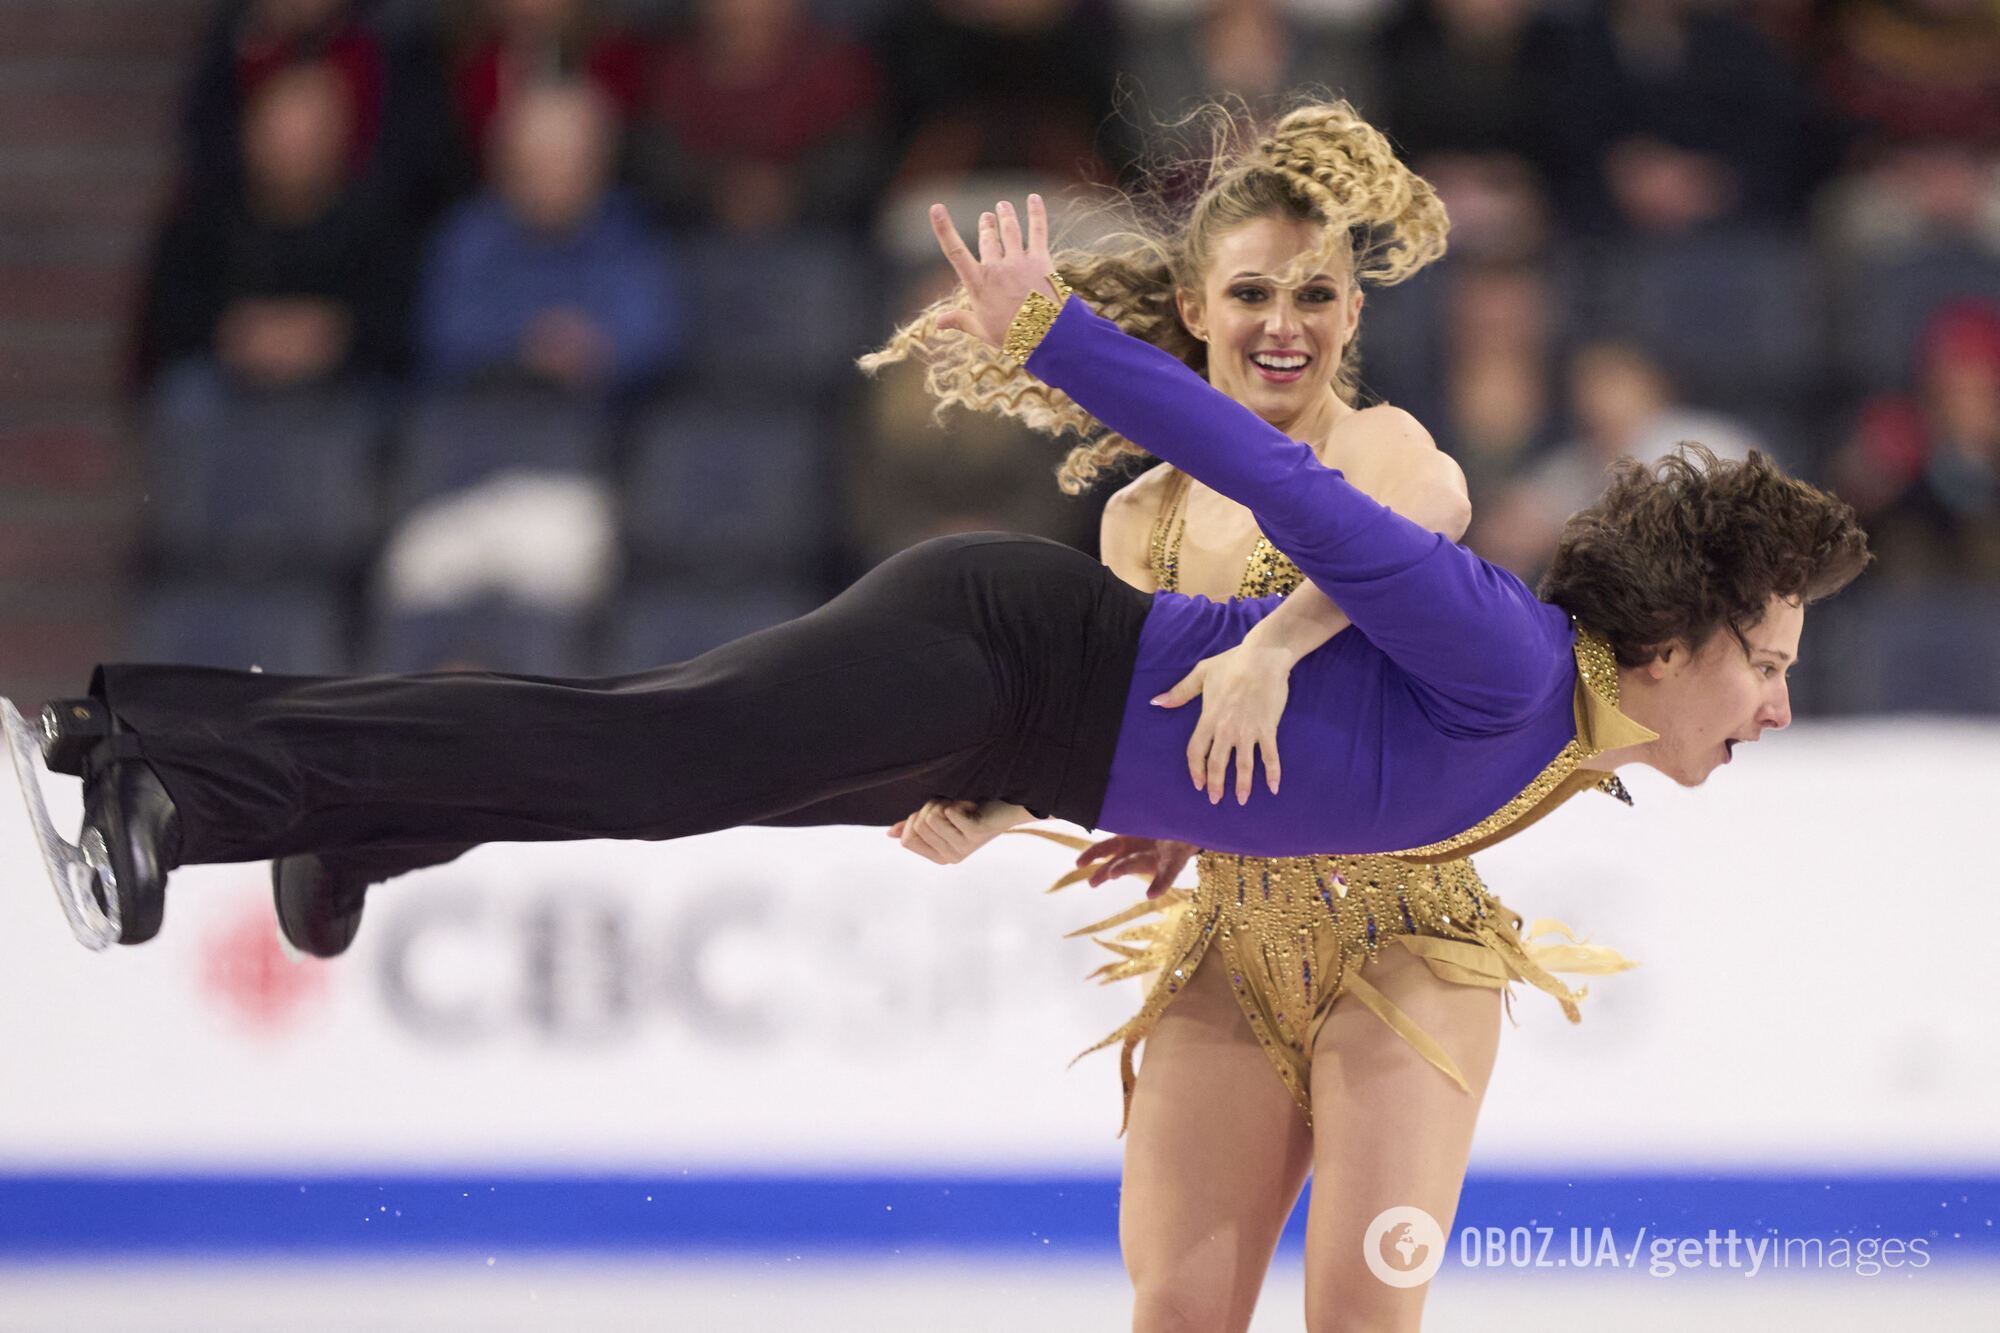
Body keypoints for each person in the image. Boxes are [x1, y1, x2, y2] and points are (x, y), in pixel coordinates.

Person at [43, 189, 1865, 1053]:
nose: (1780, 704)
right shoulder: (1510, 655)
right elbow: (1298, 485)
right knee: (649, 745)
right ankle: (178, 767)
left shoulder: (1567, 746)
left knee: (655, 759)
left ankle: (348, 810)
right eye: (1771, 659)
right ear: (1684, 633)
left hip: (1031, 741)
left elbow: (1338, 771)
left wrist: (1166, 801)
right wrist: (1053, 333)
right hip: (1002, 653)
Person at [876, 101, 1625, 1333]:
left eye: (1317, 296)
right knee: (1174, 1314)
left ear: (1353, 313)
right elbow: (1114, 723)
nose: (1285, 326)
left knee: (1356, 1320)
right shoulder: (1139, 525)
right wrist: (997, 808)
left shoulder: (1385, 446)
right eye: (1252, 295)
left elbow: (1425, 518)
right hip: (1225, 937)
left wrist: (1270, 648)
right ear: (1192, 307)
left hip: (1406, 940)